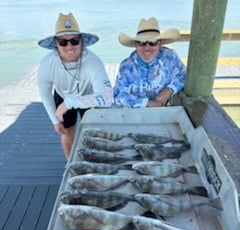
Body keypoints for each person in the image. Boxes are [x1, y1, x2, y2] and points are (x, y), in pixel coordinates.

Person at [37, 13, 112, 159]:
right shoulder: (46, 64)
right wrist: (54, 119)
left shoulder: (93, 61)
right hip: (62, 94)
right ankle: (71, 165)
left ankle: (93, 163)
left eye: (74, 41)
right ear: (55, 44)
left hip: (89, 95)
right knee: (67, 132)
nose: (69, 46)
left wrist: (70, 103)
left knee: (93, 132)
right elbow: (44, 91)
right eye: (63, 42)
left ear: (82, 41)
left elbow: (107, 97)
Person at [114, 17, 186, 108]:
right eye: (142, 43)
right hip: (134, 116)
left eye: (153, 42)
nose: (147, 48)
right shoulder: (126, 66)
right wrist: (148, 103)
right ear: (136, 44)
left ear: (160, 43)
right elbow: (118, 95)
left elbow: (184, 75)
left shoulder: (170, 56)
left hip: (165, 114)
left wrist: (169, 90)